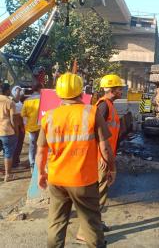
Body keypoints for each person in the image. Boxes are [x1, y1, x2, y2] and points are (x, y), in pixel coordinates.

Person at [35, 72, 116, 248]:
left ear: (59, 94)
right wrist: (111, 169)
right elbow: (105, 147)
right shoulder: (91, 112)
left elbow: (40, 152)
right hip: (83, 181)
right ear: (81, 92)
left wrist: (41, 174)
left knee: (56, 222)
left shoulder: (49, 116)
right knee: (91, 223)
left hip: (56, 180)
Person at [76, 74, 123, 241]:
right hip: (101, 156)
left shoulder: (108, 105)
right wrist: (105, 159)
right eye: (119, 88)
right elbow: (95, 133)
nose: (121, 90)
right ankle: (85, 231)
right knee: (99, 193)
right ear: (111, 89)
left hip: (104, 154)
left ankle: (95, 222)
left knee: (100, 192)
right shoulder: (104, 106)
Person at [21, 82, 41, 171]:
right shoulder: (43, 99)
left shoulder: (27, 101)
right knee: (41, 145)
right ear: (40, 89)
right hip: (42, 127)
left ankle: (32, 163)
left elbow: (23, 115)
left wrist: (25, 126)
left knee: (32, 146)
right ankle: (40, 162)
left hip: (31, 127)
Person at [0, 83, 18, 182]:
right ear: (7, 90)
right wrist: (16, 130)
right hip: (7, 131)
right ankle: (7, 175)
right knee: (8, 153)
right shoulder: (9, 102)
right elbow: (13, 119)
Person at [11, 86, 25, 168]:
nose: (18, 93)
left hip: (19, 126)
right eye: (17, 91)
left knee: (18, 145)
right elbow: (18, 117)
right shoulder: (11, 103)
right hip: (17, 127)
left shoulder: (19, 103)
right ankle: (14, 163)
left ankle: (16, 160)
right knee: (17, 145)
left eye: (19, 91)